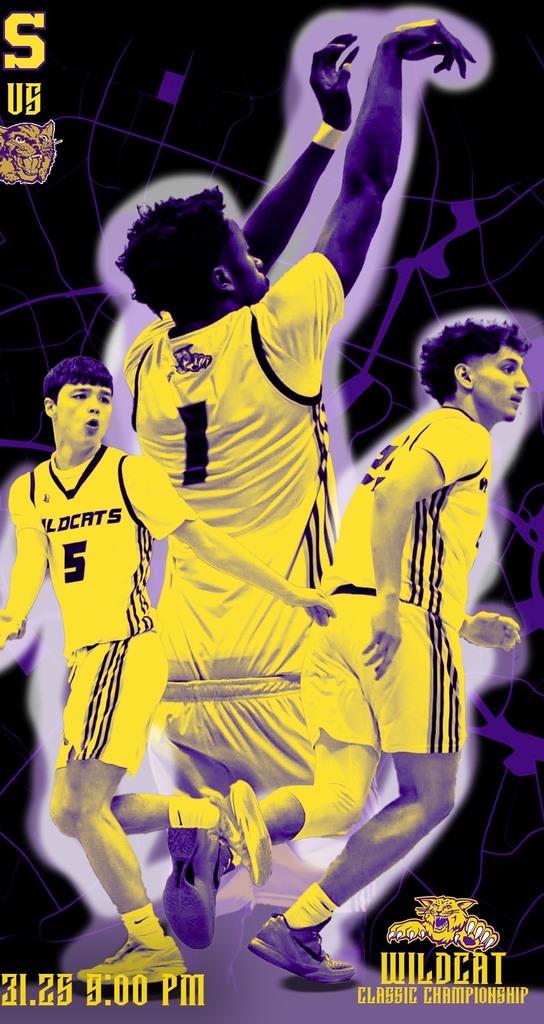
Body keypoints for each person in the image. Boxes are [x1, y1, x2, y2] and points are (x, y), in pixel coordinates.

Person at [114, 20, 475, 946]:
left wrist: (323, 131)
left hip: (182, 660)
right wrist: (390, 68)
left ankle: (204, 837)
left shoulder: (146, 357)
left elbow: (241, 254)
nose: (258, 256)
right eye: (242, 257)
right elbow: (368, 189)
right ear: (225, 277)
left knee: (247, 818)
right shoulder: (280, 338)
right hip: (284, 653)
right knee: (350, 800)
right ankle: (218, 842)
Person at [0, 355, 334, 983]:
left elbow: (203, 541)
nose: (94, 406)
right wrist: (15, 612)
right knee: (69, 814)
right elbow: (34, 558)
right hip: (86, 660)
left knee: (85, 807)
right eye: (81, 396)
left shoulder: (130, 474)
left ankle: (151, 947)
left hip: (128, 648)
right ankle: (206, 817)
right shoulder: (30, 490)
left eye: (103, 397)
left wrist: (290, 592)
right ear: (51, 407)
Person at [245, 317, 528, 983]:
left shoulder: (412, 438)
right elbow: (397, 502)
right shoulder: (461, 432)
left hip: (340, 623)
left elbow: (394, 524)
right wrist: (397, 608)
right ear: (465, 375)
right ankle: (298, 927)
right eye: (507, 367)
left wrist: (461, 623)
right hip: (395, 624)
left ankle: (218, 833)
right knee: (428, 798)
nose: (522, 382)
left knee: (340, 798)